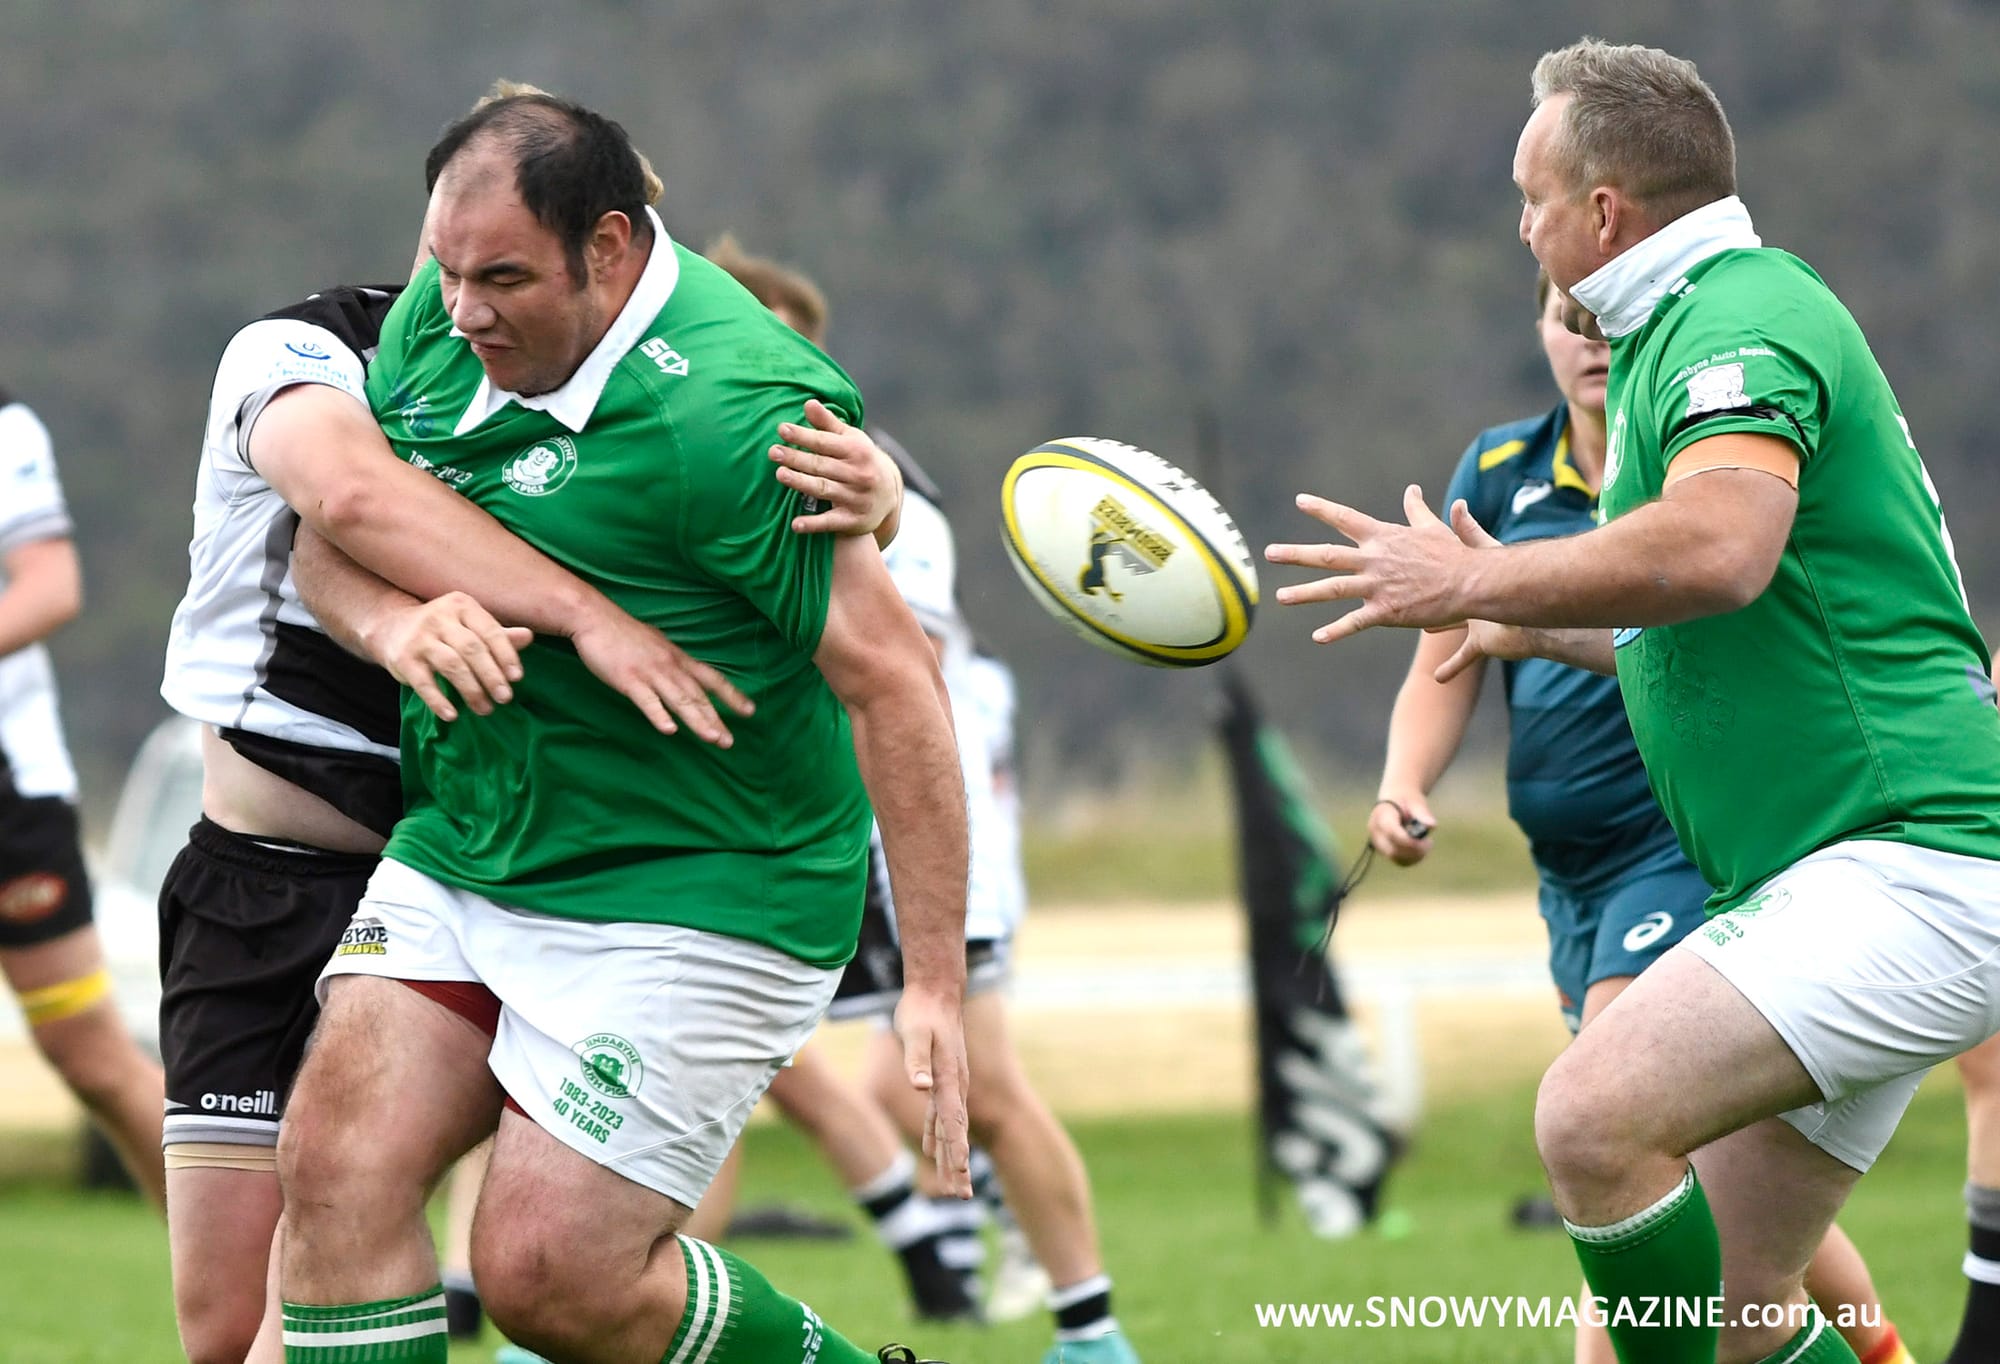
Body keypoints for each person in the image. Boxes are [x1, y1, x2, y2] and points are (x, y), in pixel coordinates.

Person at [1267, 36, 2000, 1364]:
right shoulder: (1683, 327)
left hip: (1901, 864)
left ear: (1603, 213)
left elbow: (1723, 552)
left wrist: (1473, 572)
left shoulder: (1734, 316)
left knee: (1589, 1117)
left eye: (1529, 198)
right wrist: (1506, 608)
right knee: (1729, 1318)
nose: (1521, 227)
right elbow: (1714, 624)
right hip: (1849, 874)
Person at [157, 93, 905, 1364]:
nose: (468, 301)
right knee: (236, 1318)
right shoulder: (307, 348)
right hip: (275, 880)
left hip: (487, 847)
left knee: (532, 1258)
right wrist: (474, 626)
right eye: (453, 256)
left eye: (506, 267)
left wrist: (878, 491)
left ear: (603, 251)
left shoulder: (607, 370)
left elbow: (732, 500)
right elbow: (347, 499)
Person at [1368, 271, 1908, 1364]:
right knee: (1696, 1177)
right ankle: (1878, 1349)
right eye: (1557, 319)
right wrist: (1401, 779)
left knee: (1609, 1133)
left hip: (1677, 852)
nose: (1584, 342)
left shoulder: (1690, 470)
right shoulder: (1501, 469)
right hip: (1569, 877)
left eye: (1599, 319)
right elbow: (1447, 646)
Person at [718, 236, 1139, 1364]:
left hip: (905, 822)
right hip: (778, 823)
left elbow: (895, 679)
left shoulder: (874, 482)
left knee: (978, 1088)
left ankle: (1091, 1332)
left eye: (767, 338)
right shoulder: (694, 456)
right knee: (710, 1081)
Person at [0, 389, 165, 1209]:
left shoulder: (7, 427)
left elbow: (50, 588)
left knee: (91, 1056)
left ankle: (249, 1292)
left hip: (11, 794)